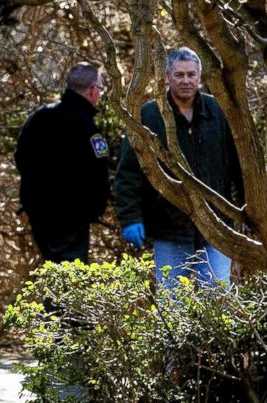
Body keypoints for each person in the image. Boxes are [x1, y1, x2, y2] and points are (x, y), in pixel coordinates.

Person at [114, 46, 242, 288]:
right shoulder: (149, 115)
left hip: (217, 225)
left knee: (217, 296)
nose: (186, 81)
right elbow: (129, 172)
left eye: (191, 75)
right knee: (174, 303)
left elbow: (240, 165)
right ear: (167, 77)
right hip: (168, 226)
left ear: (199, 76)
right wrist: (130, 217)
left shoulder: (218, 111)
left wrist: (246, 211)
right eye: (179, 75)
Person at [14, 61, 111, 264]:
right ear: (93, 90)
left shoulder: (39, 118)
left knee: (56, 270)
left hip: (39, 214)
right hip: (73, 217)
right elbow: (99, 173)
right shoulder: (87, 128)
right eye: (100, 88)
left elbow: (21, 158)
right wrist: (95, 209)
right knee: (69, 280)